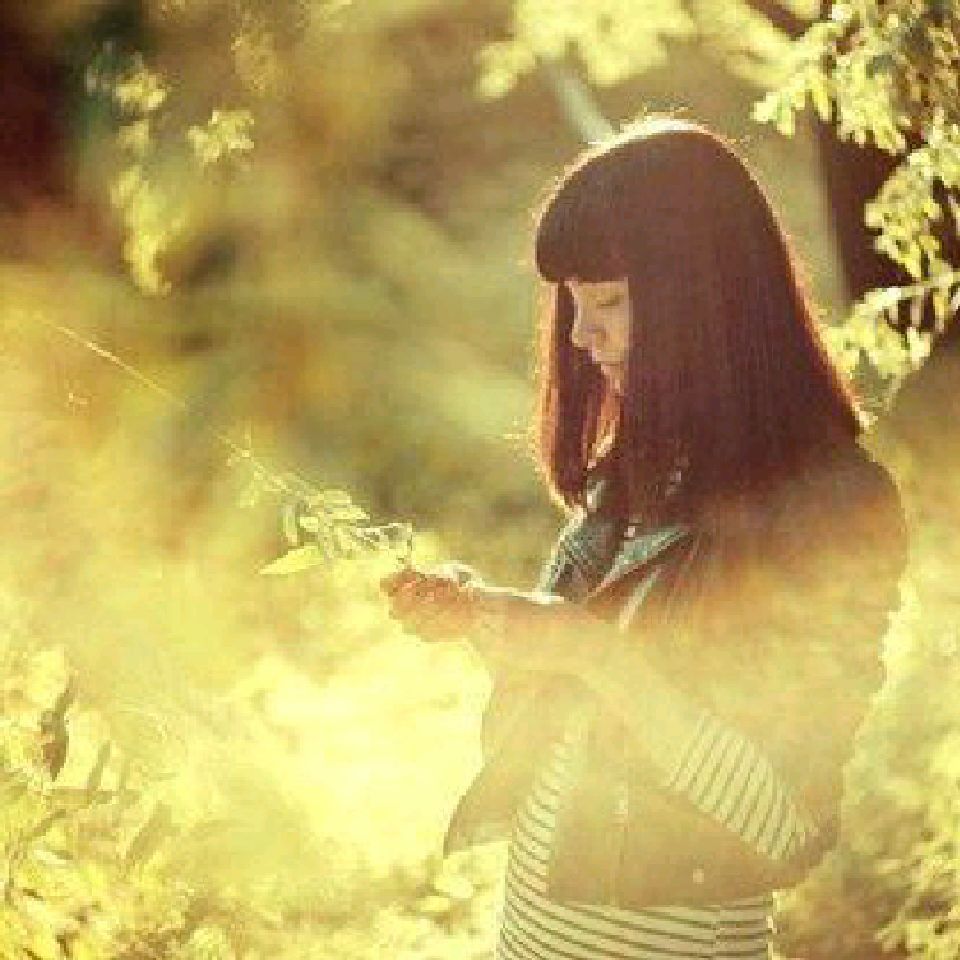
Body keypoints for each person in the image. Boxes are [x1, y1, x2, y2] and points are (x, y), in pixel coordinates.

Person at [381, 116, 908, 960]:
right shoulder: (634, 468)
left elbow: (784, 823)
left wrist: (589, 650)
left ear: (706, 301)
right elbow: (579, 716)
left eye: (610, 302)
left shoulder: (833, 511)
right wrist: (491, 623)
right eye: (573, 305)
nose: (580, 338)